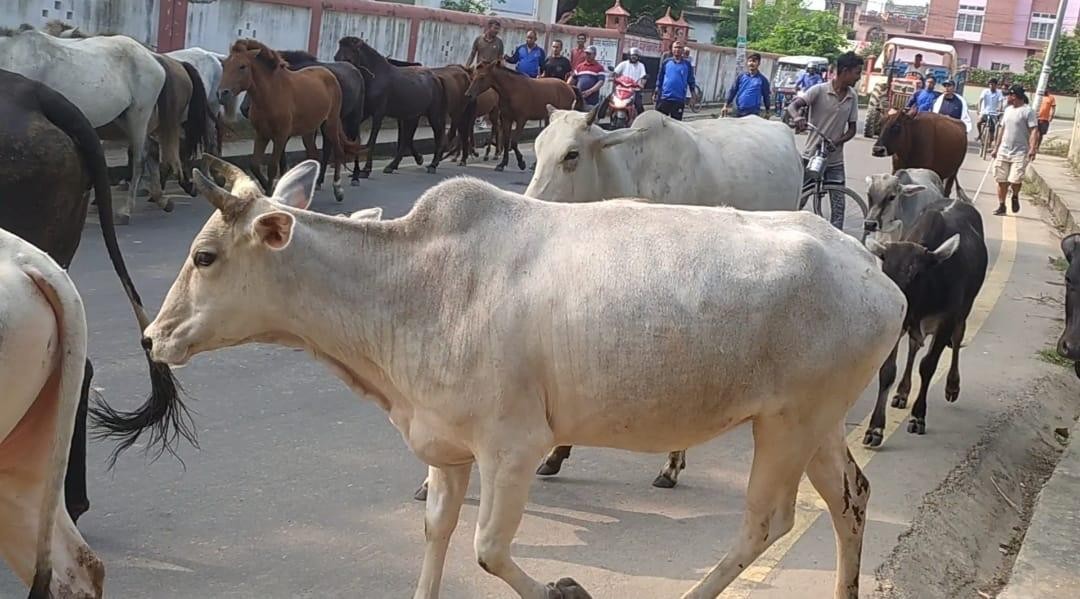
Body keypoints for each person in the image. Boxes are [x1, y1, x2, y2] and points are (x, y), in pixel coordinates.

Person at [788, 51, 864, 230]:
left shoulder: (852, 96)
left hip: (835, 160)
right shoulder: (819, 90)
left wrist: (837, 142)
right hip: (811, 156)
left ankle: (836, 239)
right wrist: (797, 118)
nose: (858, 77)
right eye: (857, 72)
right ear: (845, 71)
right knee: (799, 199)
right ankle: (789, 231)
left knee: (838, 205)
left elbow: (852, 129)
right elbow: (793, 106)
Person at [991, 84, 1039, 216]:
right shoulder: (1007, 110)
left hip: (1020, 151)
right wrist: (996, 147)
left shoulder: (1028, 111)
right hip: (1004, 150)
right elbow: (1002, 129)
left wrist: (1032, 148)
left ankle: (1015, 195)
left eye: (1010, 95)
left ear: (1015, 96)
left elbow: (1034, 130)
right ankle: (1001, 205)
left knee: (1015, 180)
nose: (1007, 98)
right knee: (1001, 179)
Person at [654, 40, 695, 121]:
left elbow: (691, 80)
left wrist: (693, 96)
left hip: (678, 100)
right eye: (675, 47)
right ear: (672, 49)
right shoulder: (666, 62)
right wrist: (656, 91)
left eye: (680, 48)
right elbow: (660, 78)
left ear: (683, 50)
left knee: (676, 124)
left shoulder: (687, 65)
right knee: (660, 121)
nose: (677, 49)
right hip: (665, 98)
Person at [723, 52, 771, 118]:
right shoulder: (741, 77)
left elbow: (766, 96)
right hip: (739, 111)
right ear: (747, 63)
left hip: (754, 113)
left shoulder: (763, 80)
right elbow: (733, 91)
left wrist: (767, 111)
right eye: (750, 61)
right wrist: (725, 105)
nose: (751, 63)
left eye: (754, 61)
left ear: (758, 63)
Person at [612, 47, 647, 117]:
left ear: (638, 57)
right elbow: (615, 72)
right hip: (622, 89)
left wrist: (642, 84)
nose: (634, 57)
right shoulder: (623, 64)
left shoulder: (641, 65)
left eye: (636, 56)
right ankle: (600, 115)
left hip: (634, 90)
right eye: (632, 55)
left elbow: (643, 76)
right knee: (609, 99)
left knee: (638, 105)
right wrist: (613, 77)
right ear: (629, 56)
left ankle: (641, 120)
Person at [977, 78, 1005, 142]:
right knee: (978, 122)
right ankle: (980, 134)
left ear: (996, 85)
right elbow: (980, 100)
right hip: (985, 112)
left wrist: (999, 108)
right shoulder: (985, 91)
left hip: (993, 113)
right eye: (990, 84)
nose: (991, 86)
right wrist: (979, 109)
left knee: (992, 130)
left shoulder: (999, 92)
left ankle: (990, 142)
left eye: (992, 84)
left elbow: (1001, 101)